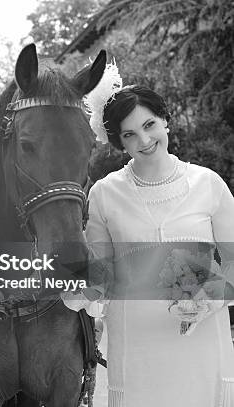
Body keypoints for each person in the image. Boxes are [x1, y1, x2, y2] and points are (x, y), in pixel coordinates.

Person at [64, 67, 234, 406]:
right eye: (129, 135)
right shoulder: (104, 193)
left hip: (202, 342)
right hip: (136, 343)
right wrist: (72, 286)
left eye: (149, 125)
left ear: (164, 120)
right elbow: (100, 272)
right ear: (118, 142)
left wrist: (208, 300)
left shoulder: (208, 184)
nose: (144, 141)